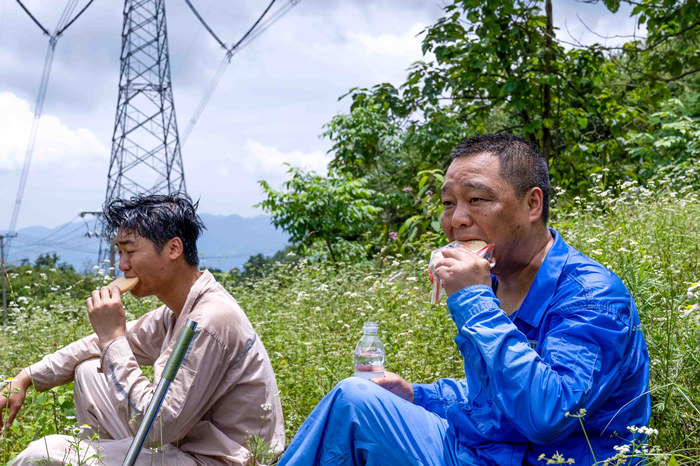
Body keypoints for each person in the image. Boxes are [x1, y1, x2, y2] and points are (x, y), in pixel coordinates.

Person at [278, 133, 651, 465]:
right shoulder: (494, 282)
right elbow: (489, 401)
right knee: (355, 398)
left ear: (532, 204)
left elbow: (549, 415)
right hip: (481, 450)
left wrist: (474, 301)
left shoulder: (592, 298)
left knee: (352, 403)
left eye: (476, 199)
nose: (456, 219)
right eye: (447, 203)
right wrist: (417, 395)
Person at [1, 194, 285, 465]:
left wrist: (113, 339)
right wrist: (25, 378)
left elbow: (160, 426)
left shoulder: (209, 320)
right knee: (89, 370)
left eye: (131, 252)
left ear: (174, 249)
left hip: (215, 459)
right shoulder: (175, 312)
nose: (122, 266)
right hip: (182, 443)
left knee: (40, 455)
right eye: (120, 253)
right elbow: (93, 346)